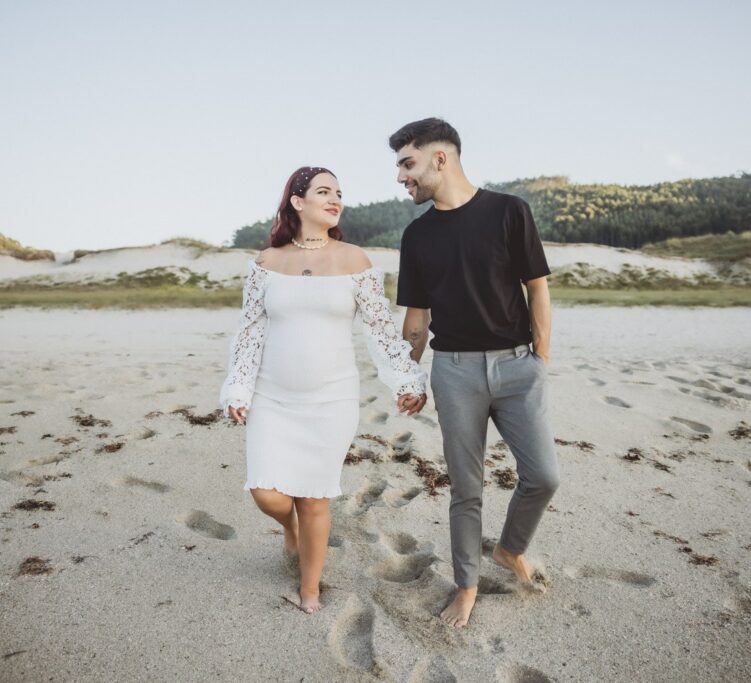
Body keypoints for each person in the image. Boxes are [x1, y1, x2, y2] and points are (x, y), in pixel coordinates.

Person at [219, 166, 428, 614]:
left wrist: (407, 380)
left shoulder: (355, 260)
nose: (335, 200)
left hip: (331, 399)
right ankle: (290, 531)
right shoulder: (266, 262)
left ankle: (310, 588)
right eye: (323, 192)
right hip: (271, 397)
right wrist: (238, 388)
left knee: (314, 498)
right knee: (267, 493)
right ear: (297, 202)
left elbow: (382, 331)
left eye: (339, 193)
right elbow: (249, 332)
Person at [390, 118, 560, 628]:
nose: (401, 177)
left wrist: (540, 359)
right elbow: (417, 320)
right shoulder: (416, 235)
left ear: (441, 158)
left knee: (544, 477)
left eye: (407, 163)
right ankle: (466, 585)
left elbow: (538, 287)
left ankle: (511, 549)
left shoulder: (510, 212)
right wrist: (408, 378)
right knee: (467, 488)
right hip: (455, 374)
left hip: (517, 367)